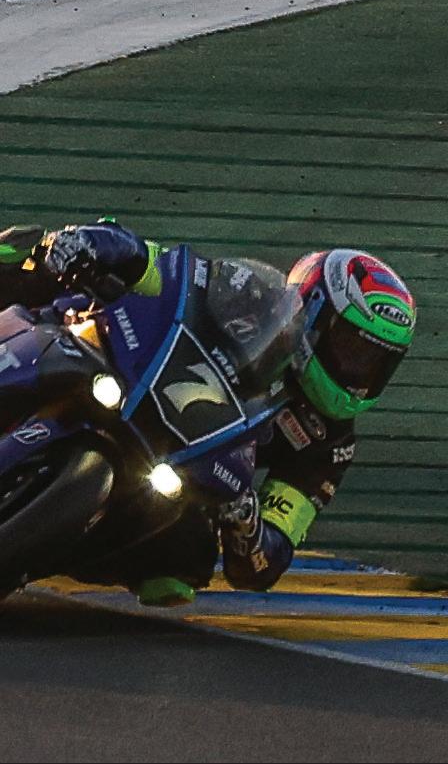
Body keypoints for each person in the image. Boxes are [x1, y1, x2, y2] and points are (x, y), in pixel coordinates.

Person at [0, 221, 416, 606]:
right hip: (121, 367)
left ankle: (41, 550)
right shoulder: (250, 294)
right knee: (24, 264)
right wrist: (92, 243)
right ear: (316, 312)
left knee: (186, 559)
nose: (362, 372)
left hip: (177, 463)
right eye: (355, 350)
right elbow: (156, 263)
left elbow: (268, 559)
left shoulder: (329, 443)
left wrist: (248, 524)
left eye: (378, 363)